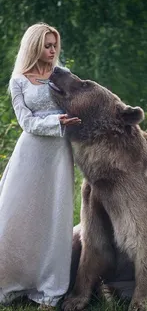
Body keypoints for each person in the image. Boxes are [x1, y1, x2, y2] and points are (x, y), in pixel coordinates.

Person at [0, 22, 81, 310]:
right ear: (34, 46)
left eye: (54, 45)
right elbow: (26, 123)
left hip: (59, 155)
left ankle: (49, 289)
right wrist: (55, 121)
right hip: (30, 154)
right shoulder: (18, 81)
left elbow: (80, 102)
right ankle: (12, 280)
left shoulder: (63, 76)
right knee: (17, 212)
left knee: (54, 215)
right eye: (47, 45)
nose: (52, 50)